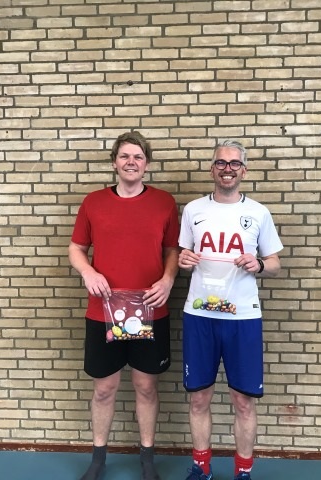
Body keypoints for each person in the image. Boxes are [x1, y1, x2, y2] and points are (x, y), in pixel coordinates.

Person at [68, 131, 180, 480]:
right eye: (125, 156)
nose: (132, 162)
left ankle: (147, 460)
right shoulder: (93, 202)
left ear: (147, 164)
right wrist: (88, 272)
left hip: (150, 309)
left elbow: (173, 250)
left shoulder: (164, 203)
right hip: (103, 311)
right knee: (104, 389)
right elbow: (76, 248)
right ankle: (98, 459)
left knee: (146, 387)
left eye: (138, 157)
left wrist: (168, 280)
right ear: (115, 162)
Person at [178, 140, 283, 480]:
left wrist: (259, 264)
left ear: (244, 171)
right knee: (199, 399)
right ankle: (201, 468)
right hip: (200, 316)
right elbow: (182, 256)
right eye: (221, 163)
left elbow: (275, 264)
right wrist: (183, 260)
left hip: (243, 318)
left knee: (243, 401)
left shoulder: (258, 213)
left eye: (234, 163)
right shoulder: (193, 210)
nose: (227, 168)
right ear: (212, 169)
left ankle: (243, 472)